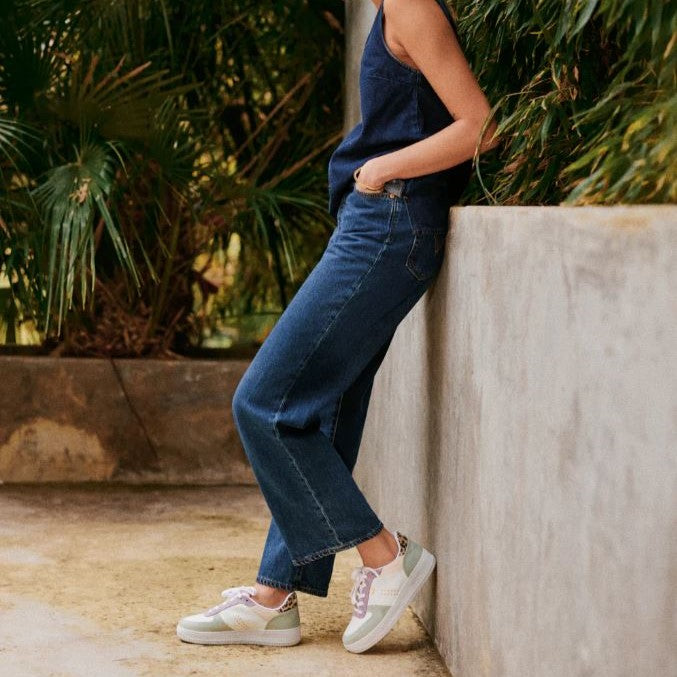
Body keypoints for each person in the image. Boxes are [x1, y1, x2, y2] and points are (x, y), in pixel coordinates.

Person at [177, 0, 498, 653]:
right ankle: (274, 596)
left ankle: (384, 556)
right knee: (318, 411)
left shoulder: (409, 4)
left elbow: (479, 126)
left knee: (264, 404)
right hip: (378, 225)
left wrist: (381, 168)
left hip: (388, 225)